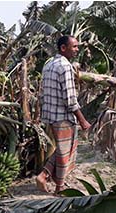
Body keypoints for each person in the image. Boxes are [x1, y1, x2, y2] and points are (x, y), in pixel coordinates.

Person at [36, 35, 91, 194]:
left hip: (51, 114)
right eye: (74, 47)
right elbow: (70, 98)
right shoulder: (65, 67)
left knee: (62, 150)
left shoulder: (49, 64)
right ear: (63, 48)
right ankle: (59, 187)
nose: (77, 50)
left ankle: (44, 175)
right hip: (63, 116)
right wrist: (82, 120)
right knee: (64, 152)